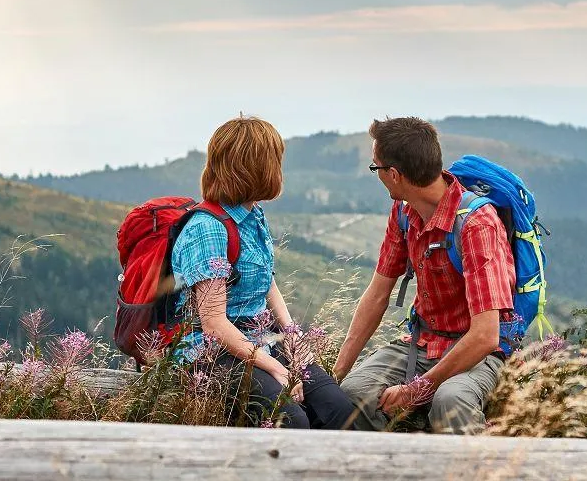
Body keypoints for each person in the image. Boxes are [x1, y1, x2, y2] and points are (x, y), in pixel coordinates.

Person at [170, 116, 357, 430]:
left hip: (260, 337)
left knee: (339, 410)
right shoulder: (208, 230)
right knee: (291, 420)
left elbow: (263, 278)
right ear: (256, 168)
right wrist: (277, 368)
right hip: (213, 353)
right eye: (275, 160)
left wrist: (292, 335)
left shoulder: (252, 213)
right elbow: (214, 324)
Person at [335, 117, 516, 435]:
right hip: (423, 342)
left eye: (375, 167)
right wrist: (337, 374)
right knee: (354, 394)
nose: (377, 175)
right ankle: (391, 476)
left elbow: (485, 336)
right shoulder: (404, 212)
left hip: (478, 351)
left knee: (451, 400)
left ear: (394, 175)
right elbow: (378, 294)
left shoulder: (477, 225)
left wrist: (416, 389)